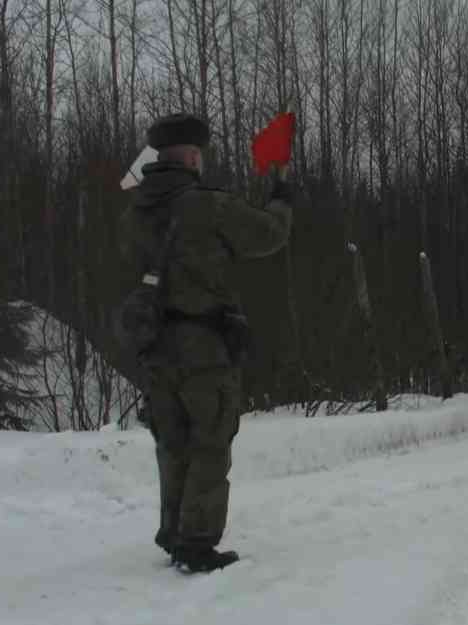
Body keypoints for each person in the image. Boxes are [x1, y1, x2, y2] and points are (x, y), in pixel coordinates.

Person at [120, 113, 292, 572]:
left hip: (155, 344)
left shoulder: (135, 210)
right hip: (203, 344)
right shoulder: (205, 205)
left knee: (171, 441)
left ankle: (174, 531)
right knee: (211, 440)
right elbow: (268, 235)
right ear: (194, 156)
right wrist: (281, 199)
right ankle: (196, 543)